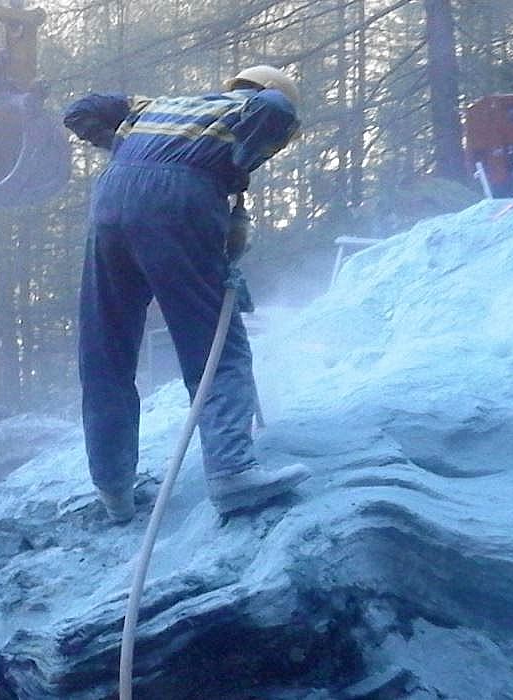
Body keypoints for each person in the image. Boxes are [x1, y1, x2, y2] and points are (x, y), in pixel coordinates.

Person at [61, 66, 312, 523]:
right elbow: (275, 109)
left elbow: (81, 110)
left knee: (106, 351)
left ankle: (114, 489)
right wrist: (241, 154)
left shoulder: (157, 104)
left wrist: (123, 148)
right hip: (177, 198)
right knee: (219, 350)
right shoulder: (248, 109)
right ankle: (233, 473)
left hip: (112, 198)